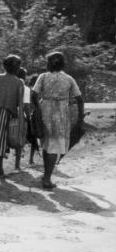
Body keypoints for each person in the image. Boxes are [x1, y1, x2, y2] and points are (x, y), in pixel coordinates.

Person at [32, 52, 84, 189]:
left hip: (45, 111)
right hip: (60, 114)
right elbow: (79, 99)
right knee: (53, 146)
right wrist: (80, 117)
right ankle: (47, 179)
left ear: (49, 64)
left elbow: (34, 95)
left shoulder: (43, 77)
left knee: (47, 144)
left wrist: (38, 108)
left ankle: (46, 176)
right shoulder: (69, 79)